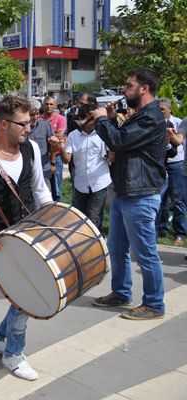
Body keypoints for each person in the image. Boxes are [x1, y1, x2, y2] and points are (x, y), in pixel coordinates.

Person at [0, 95, 52, 381]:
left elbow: (41, 188)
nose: (29, 128)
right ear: (4, 124)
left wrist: (52, 219)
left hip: (34, 229)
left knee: (22, 292)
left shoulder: (30, 148)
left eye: (31, 122)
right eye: (24, 123)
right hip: (7, 237)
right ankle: (13, 354)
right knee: (26, 293)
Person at [90, 68, 166, 320]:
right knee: (117, 246)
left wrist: (102, 119)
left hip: (141, 194)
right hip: (126, 192)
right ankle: (121, 293)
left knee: (145, 251)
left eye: (129, 85)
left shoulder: (152, 117)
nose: (124, 89)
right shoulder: (140, 115)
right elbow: (121, 139)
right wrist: (111, 120)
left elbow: (120, 141)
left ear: (144, 88)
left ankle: (154, 304)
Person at [59, 104, 112, 231]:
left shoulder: (103, 134)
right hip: (80, 184)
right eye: (91, 119)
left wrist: (113, 146)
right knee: (81, 218)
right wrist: (60, 148)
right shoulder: (73, 136)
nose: (95, 122)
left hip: (99, 183)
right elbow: (67, 159)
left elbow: (111, 159)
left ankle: (95, 246)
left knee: (93, 219)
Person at [156, 98, 185, 245]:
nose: (160, 111)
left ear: (170, 109)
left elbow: (179, 142)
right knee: (160, 200)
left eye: (162, 109)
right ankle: (161, 229)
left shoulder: (179, 122)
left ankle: (179, 233)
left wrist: (171, 135)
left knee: (177, 199)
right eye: (158, 109)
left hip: (175, 165)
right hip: (160, 164)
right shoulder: (155, 124)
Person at [41, 96, 66, 201]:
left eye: (51, 104)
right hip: (43, 157)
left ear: (55, 105)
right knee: (43, 187)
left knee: (56, 189)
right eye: (46, 104)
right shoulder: (39, 119)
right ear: (43, 105)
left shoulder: (61, 119)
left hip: (57, 158)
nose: (49, 106)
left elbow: (58, 137)